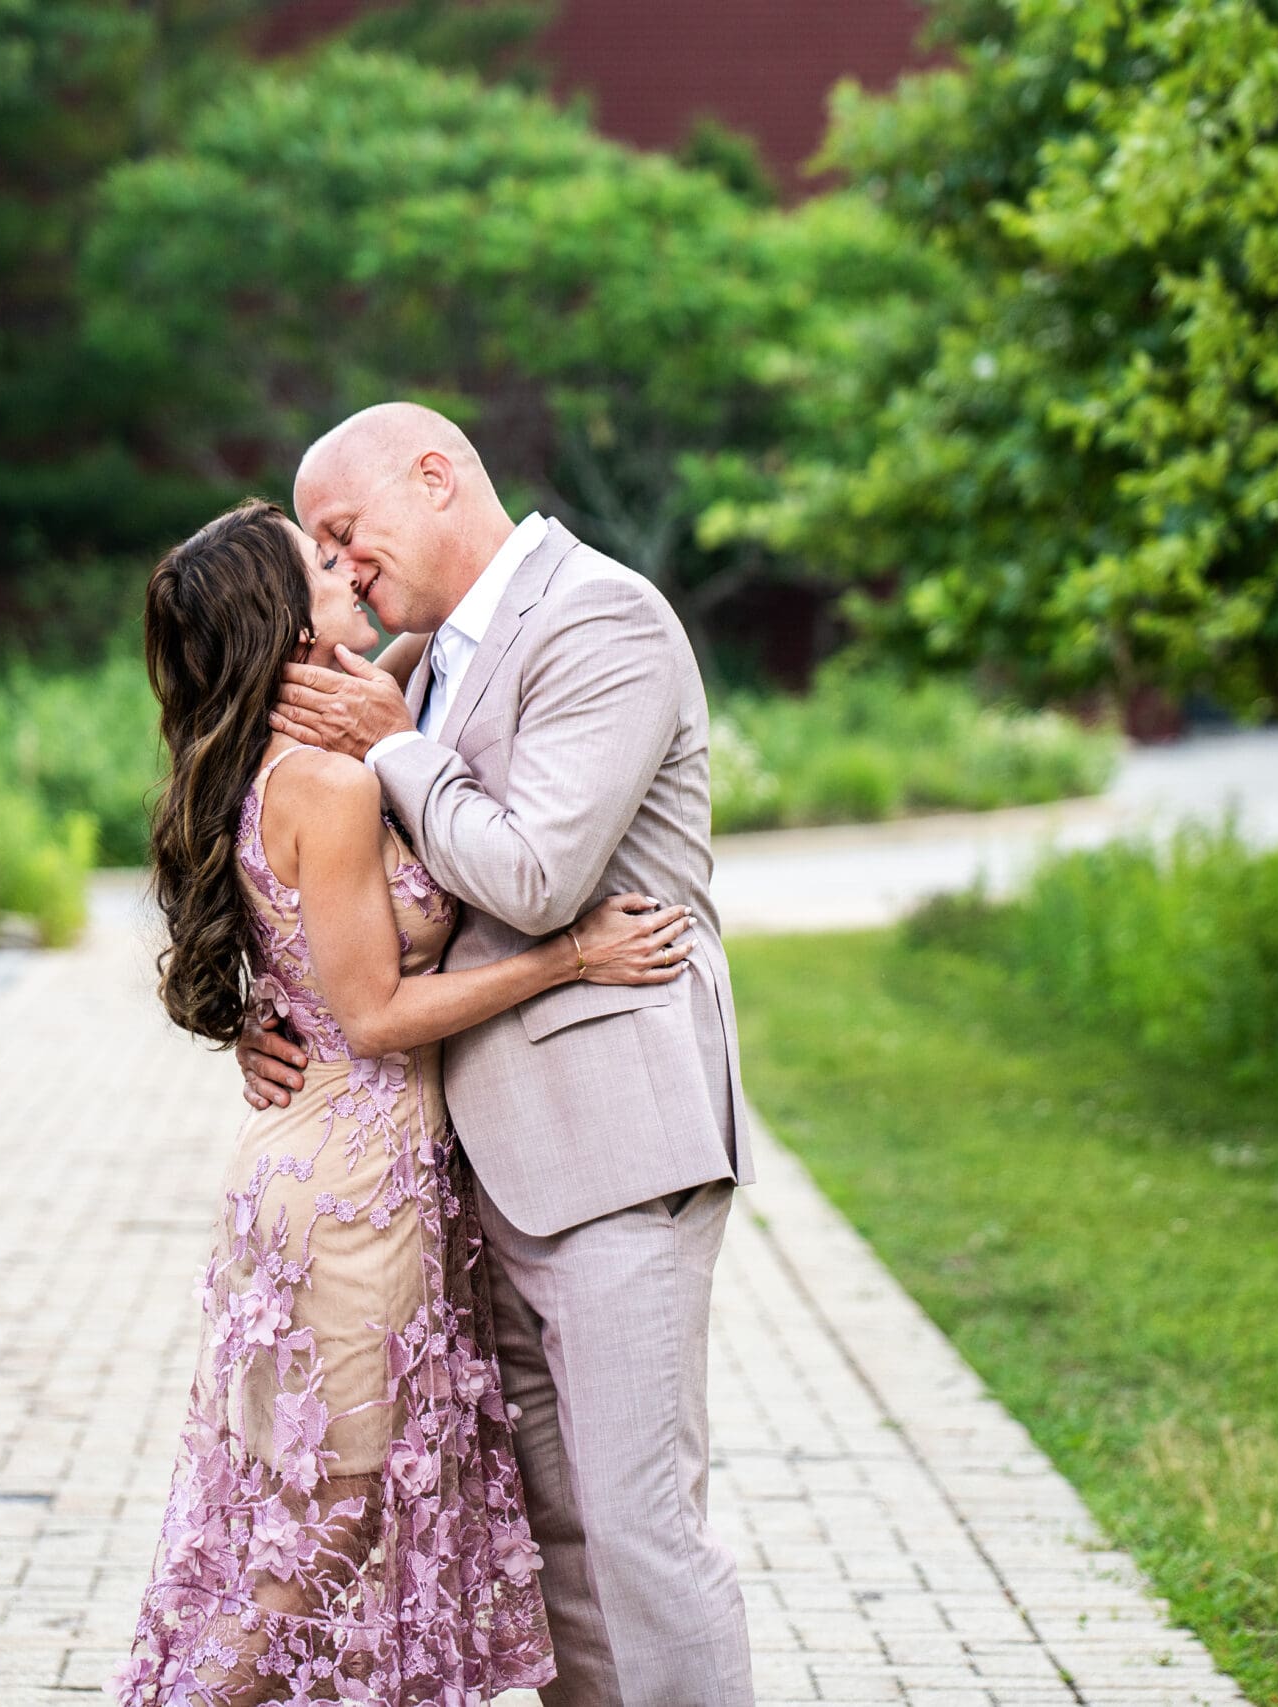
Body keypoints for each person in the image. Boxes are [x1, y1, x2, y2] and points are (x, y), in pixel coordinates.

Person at [114, 497, 696, 1705]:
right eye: (320, 563)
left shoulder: (358, 716)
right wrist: (568, 957)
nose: (346, 566)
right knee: (332, 1517)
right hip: (350, 1188)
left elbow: (457, 622)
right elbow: (373, 1015)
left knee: (315, 1508)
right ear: (284, 621)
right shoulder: (325, 781)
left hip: (342, 1158)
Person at [244, 403, 759, 1706]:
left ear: (436, 476)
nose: (342, 568)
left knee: (641, 1532)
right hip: (480, 1167)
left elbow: (535, 873)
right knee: (563, 1541)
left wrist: (394, 745)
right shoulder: (422, 659)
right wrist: (263, 1005)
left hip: (616, 1150)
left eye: (346, 534)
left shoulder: (604, 617)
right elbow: (358, 885)